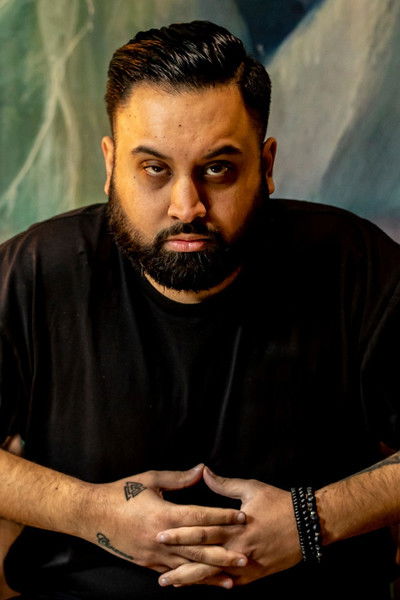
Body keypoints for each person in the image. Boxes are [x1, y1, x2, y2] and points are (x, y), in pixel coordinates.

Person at [0, 19, 400, 600]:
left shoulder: (355, 264)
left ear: (266, 164)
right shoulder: (36, 271)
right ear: (110, 165)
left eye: (217, 168)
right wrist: (90, 512)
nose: (186, 206)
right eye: (154, 169)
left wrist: (310, 522)